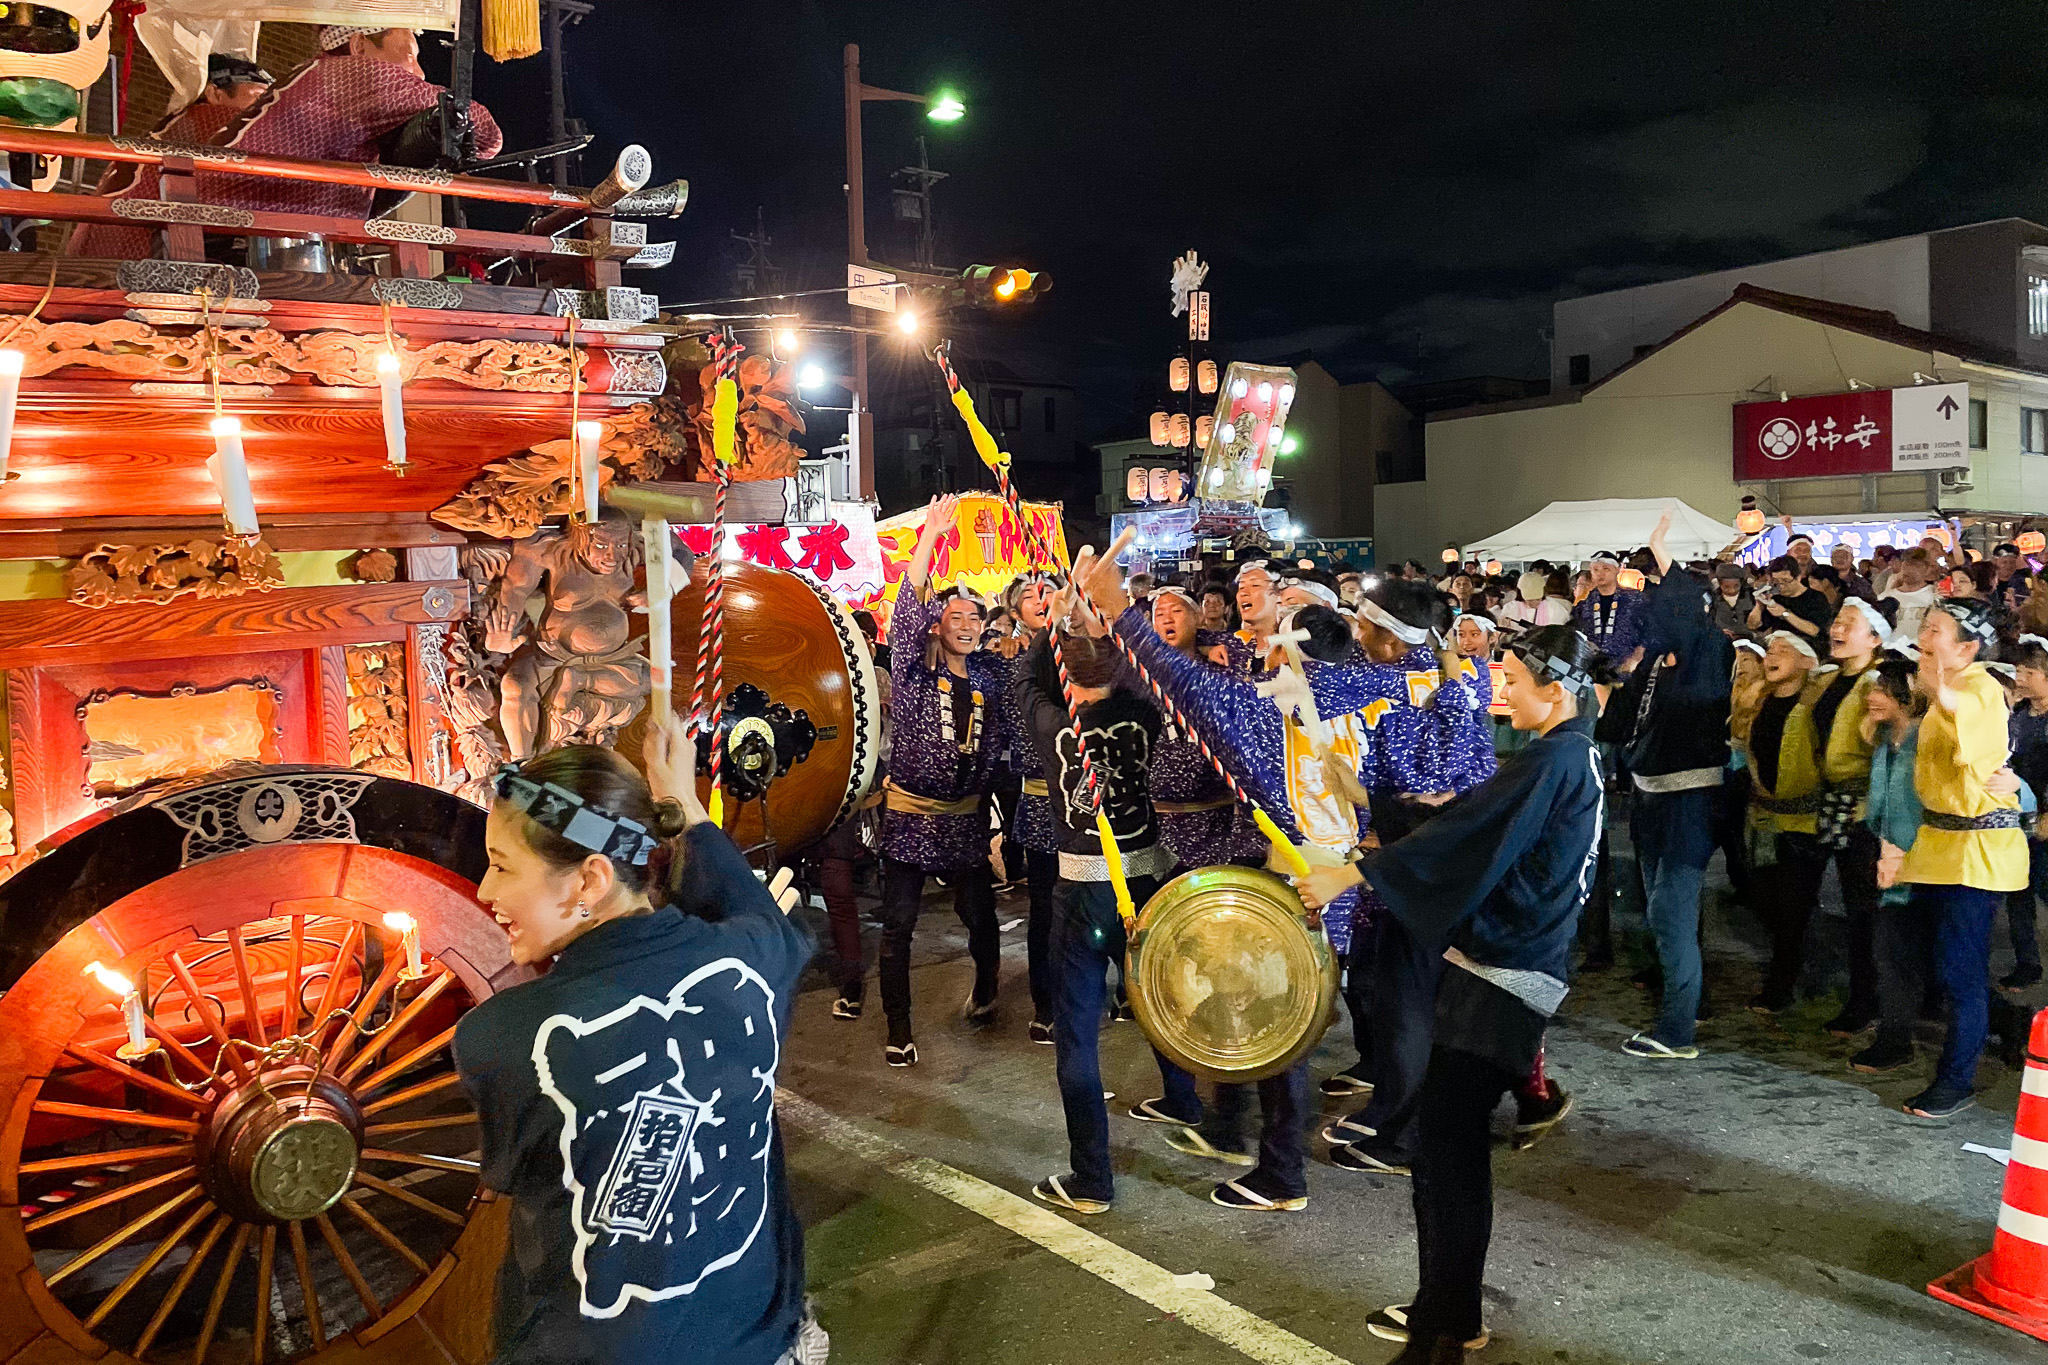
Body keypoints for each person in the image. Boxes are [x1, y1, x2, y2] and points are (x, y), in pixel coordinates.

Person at [455, 717, 823, 1365]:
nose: (487, 892)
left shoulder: (504, 1038)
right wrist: (677, 793)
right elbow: (757, 911)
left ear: (590, 880)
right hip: (759, 1336)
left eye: (502, 866)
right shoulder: (760, 955)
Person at [1294, 625, 1610, 1364]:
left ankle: (1442, 1330)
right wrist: (1387, 811)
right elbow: (1470, 821)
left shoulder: (1552, 760)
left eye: (1512, 678)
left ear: (1555, 691)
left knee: (1447, 1156)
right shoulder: (1573, 756)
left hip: (1503, 977)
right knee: (1447, 1150)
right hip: (1514, 970)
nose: (1497, 687)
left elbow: (1471, 830)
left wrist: (1355, 873)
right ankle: (1448, 1311)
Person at [1016, 599, 1173, 1215]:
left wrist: (1051, 627)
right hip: (1150, 874)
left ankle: (1092, 1178)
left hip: (1084, 888)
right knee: (1157, 993)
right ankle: (1185, 1099)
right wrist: (1107, 622)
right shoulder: (1147, 710)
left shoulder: (1055, 724)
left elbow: (1024, 679)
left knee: (1077, 1030)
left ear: (1065, 670)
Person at [876, 495, 1006, 1067]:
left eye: (976, 618)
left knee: (979, 916)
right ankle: (899, 1028)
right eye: (956, 617)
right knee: (899, 925)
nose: (968, 624)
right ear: (936, 628)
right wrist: (929, 536)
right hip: (908, 818)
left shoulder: (992, 674)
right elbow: (907, 607)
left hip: (966, 823)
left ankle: (986, 988)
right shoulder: (911, 671)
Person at [1890, 597, 2029, 1117]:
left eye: (1935, 631)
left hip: (1977, 851)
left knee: (1958, 969)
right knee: (1939, 964)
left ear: (1968, 647)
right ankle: (1996, 1029)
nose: (1924, 637)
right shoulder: (1945, 690)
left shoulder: (1983, 688)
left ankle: (1957, 1080)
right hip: (1940, 844)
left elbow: (1968, 715)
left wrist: (1940, 686)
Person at [1614, 515, 1732, 1060]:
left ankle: (1679, 1028)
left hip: (1690, 800)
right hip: (1650, 797)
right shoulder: (1658, 662)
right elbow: (1621, 722)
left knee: (1672, 912)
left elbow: (1685, 615)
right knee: (1660, 912)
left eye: (1665, 601)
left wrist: (1662, 554)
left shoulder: (1710, 650)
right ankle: (1678, 1008)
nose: (1657, 612)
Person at [198, 25, 502, 219]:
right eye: (408, 54)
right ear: (359, 46)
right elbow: (486, 134)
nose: (419, 72)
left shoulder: (316, 71)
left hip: (214, 214)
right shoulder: (356, 75)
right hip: (225, 226)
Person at [1752, 598, 1887, 1030]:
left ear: (1875, 638)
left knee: (1860, 908)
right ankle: (1782, 983)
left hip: (1862, 805)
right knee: (1794, 898)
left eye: (1851, 623)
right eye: (1838, 620)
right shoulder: (1827, 681)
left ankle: (1865, 1002)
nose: (1839, 628)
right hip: (1819, 801)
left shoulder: (1880, 683)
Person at [70, 54, 277, 258]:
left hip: (111, 248)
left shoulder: (175, 126)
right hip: (146, 251)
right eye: (258, 97)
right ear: (215, 94)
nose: (264, 110)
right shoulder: (221, 121)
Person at [991, 571, 1060, 1043]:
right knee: (1045, 908)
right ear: (1016, 612)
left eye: (1048, 592)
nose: (1040, 599)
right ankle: (1046, 1002)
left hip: (1091, 800)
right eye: (1029, 596)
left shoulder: (1088, 651)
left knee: (1103, 902)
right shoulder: (1007, 665)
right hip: (1040, 801)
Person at [2004, 633, 2048, 991]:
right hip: (2020, 814)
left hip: (2045, 819)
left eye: (2029, 671)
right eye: (2018, 670)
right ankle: (2027, 963)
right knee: (2019, 892)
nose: (2019, 677)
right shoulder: (2019, 714)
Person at [1572, 552, 1646, 674]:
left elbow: (1650, 631)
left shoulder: (1636, 600)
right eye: (1595, 569)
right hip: (1593, 671)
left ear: (1617, 570)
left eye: (1606, 569)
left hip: (1628, 670)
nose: (1600, 574)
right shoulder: (1584, 605)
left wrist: (1636, 657)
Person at [1748, 555, 1829, 641]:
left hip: (1809, 646)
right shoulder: (1776, 598)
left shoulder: (1816, 598)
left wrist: (1785, 613)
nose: (1781, 586)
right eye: (1776, 581)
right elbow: (1752, 626)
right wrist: (1759, 605)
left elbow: (1815, 631)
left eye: (1786, 580)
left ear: (1798, 577)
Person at [1881, 548, 1941, 641]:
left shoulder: (1935, 597)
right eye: (1907, 565)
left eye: (1917, 566)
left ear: (1927, 569)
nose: (1910, 570)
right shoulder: (1885, 598)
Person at [1710, 563, 1754, 640]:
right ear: (1719, 584)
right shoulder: (1712, 598)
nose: (1732, 590)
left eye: (1736, 586)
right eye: (1726, 587)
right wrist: (1718, 631)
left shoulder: (1752, 596)